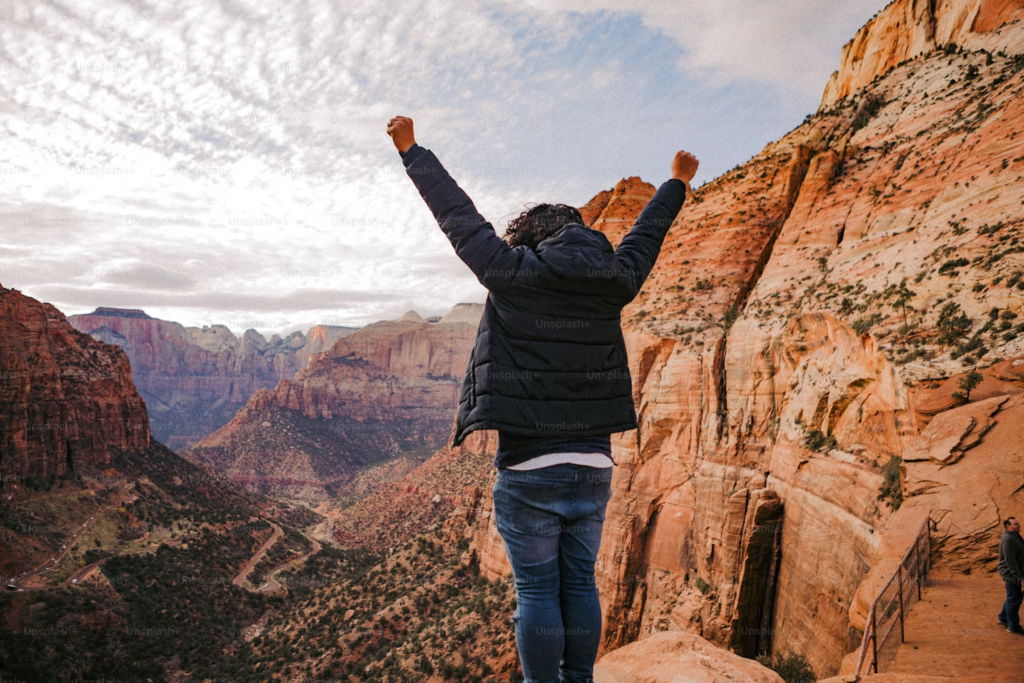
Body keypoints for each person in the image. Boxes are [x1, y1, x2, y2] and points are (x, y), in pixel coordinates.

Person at [387, 116, 697, 682]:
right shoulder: (615, 280)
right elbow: (645, 236)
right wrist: (675, 182)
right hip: (592, 465)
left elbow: (459, 218)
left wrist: (412, 151)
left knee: (535, 590)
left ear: (528, 237)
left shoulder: (510, 270)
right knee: (579, 583)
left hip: (529, 465)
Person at [998, 516, 1024, 635]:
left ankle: (1003, 618)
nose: (1019, 526)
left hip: (1016, 571)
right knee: (1015, 599)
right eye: (1015, 524)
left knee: (1012, 596)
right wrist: (1019, 578)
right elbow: (1010, 561)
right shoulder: (1008, 539)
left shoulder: (1015, 535)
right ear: (1008, 526)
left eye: (1018, 524)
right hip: (1011, 574)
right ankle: (1013, 626)